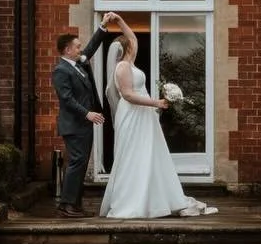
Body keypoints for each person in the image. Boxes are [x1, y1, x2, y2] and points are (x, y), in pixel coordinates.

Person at [98, 12, 217, 219]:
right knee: (134, 155)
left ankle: (153, 198)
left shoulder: (131, 63)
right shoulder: (123, 67)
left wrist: (119, 20)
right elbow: (128, 95)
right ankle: (132, 201)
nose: (135, 43)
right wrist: (157, 102)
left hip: (143, 115)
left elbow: (132, 36)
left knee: (149, 153)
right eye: (132, 43)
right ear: (127, 47)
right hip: (132, 116)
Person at [50, 24, 110, 219]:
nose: (80, 49)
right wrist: (87, 114)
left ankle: (75, 206)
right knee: (76, 163)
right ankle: (66, 205)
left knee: (81, 164)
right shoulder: (61, 70)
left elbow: (90, 49)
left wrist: (103, 27)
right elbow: (66, 99)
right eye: (77, 47)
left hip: (83, 126)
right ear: (67, 50)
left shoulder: (77, 64)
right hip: (74, 126)